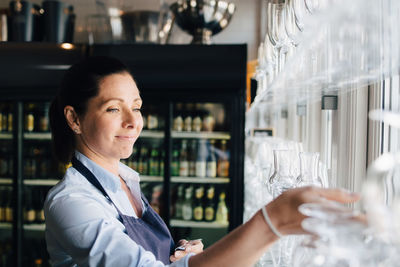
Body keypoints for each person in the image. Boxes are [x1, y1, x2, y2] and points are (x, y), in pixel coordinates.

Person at [44, 56, 360, 267]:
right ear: (74, 118)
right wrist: (271, 221)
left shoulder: (126, 180)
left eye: (136, 107)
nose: (133, 122)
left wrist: (179, 255)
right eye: (114, 108)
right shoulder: (72, 201)